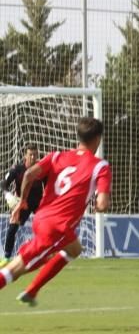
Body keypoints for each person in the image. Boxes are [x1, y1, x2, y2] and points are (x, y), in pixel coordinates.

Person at [0, 118, 111, 306]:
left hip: (42, 218)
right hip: (57, 227)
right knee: (15, 268)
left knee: (74, 249)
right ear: (98, 139)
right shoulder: (100, 166)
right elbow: (102, 203)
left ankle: (32, 291)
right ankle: (29, 287)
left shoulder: (56, 156)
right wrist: (99, 207)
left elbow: (29, 174)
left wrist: (22, 202)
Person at [1, 145, 45, 266]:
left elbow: (47, 185)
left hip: (38, 203)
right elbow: (4, 183)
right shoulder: (17, 169)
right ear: (25, 156)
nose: (33, 157)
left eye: (35, 154)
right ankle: (7, 257)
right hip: (22, 202)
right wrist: (7, 195)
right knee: (13, 224)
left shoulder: (41, 169)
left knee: (47, 226)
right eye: (30, 154)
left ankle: (48, 253)